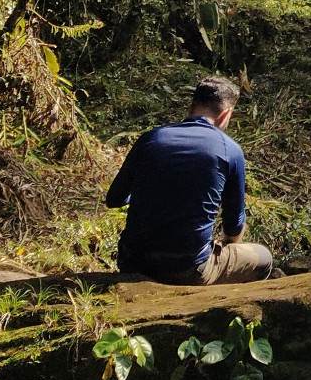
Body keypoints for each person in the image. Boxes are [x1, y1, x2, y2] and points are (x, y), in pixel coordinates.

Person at [106, 75, 272, 285]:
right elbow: (234, 227)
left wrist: (148, 195)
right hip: (188, 269)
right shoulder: (230, 150)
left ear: (191, 107)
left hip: (132, 261)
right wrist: (228, 242)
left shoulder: (151, 138)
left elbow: (114, 199)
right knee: (263, 257)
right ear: (225, 114)